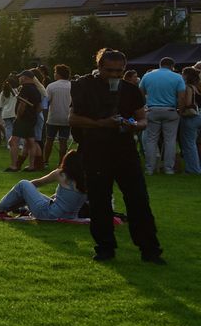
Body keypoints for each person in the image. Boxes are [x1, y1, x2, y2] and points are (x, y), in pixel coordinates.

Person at [68, 48, 163, 264]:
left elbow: (143, 120)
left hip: (124, 150)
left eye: (119, 72)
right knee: (100, 201)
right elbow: (73, 118)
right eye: (109, 71)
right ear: (99, 67)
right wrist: (100, 124)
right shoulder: (84, 86)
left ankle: (150, 249)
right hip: (95, 150)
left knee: (138, 200)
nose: (114, 76)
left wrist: (133, 126)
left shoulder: (130, 90)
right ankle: (104, 248)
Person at [0, 147, 88, 221]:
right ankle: (19, 208)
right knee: (34, 194)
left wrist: (23, 193)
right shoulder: (87, 180)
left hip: (49, 214)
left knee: (23, 184)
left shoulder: (61, 174)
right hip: (70, 216)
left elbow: (38, 182)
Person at [140, 56, 185, 175]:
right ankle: (168, 169)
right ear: (172, 66)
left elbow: (140, 93)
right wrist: (180, 110)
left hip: (152, 110)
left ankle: (149, 169)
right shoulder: (177, 77)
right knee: (170, 141)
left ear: (160, 64)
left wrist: (145, 106)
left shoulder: (147, 76)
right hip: (170, 110)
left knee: (151, 140)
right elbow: (181, 96)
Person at [7, 70, 45, 172]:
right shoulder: (36, 90)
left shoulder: (25, 88)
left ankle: (14, 166)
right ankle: (31, 166)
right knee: (30, 142)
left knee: (13, 141)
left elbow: (22, 105)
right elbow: (40, 107)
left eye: (20, 77)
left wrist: (18, 117)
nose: (19, 79)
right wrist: (32, 114)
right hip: (32, 119)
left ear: (25, 78)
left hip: (23, 119)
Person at [40, 64, 75, 166]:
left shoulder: (51, 86)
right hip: (67, 117)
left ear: (58, 74)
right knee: (63, 142)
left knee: (49, 140)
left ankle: (45, 161)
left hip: (53, 117)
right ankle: (61, 163)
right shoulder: (72, 86)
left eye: (55, 72)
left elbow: (45, 103)